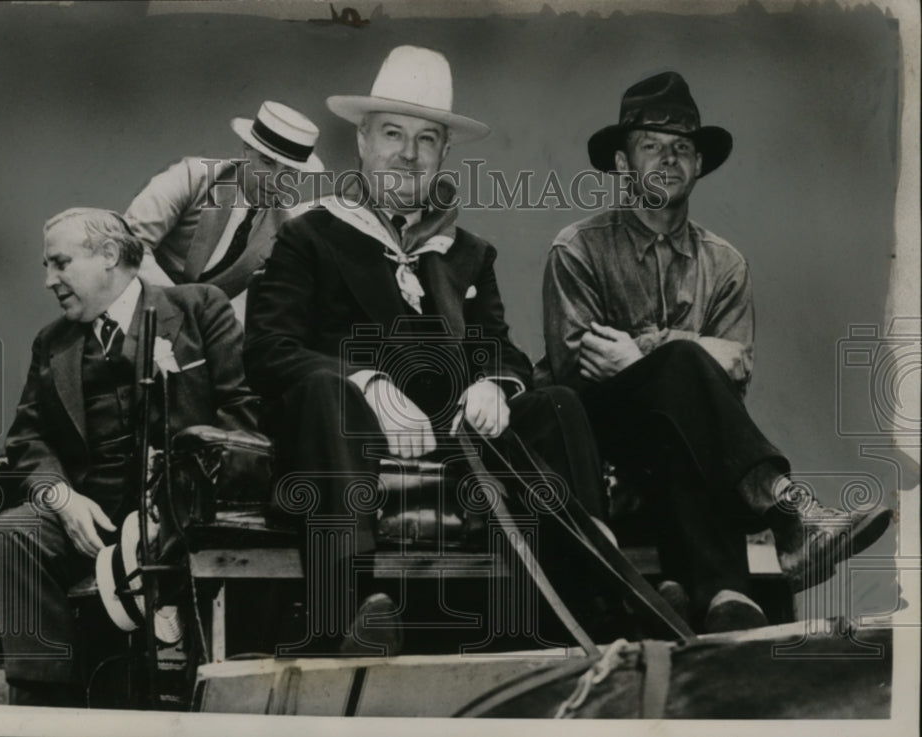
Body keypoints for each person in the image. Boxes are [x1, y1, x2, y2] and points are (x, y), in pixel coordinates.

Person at [244, 46, 610, 654]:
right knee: (325, 391)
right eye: (392, 133)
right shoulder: (309, 235)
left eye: (426, 140)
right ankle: (351, 614)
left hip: (450, 434)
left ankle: (598, 594)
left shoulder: (467, 252)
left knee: (560, 404)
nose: (407, 153)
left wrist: (494, 383)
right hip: (341, 432)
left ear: (444, 154)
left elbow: (503, 351)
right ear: (362, 140)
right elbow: (268, 350)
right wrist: (364, 384)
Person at [539, 71, 893, 632]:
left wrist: (642, 352)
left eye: (682, 149)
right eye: (650, 146)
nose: (668, 160)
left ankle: (727, 601)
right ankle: (788, 509)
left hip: (683, 443)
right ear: (623, 163)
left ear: (699, 165)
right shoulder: (578, 248)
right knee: (684, 368)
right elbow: (574, 370)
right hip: (596, 438)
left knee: (685, 413)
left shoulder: (725, 264)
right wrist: (676, 354)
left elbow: (732, 379)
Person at [0, 208, 261, 705]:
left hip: (180, 508)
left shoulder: (200, 308)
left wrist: (176, 508)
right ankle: (42, 702)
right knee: (15, 532)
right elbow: (28, 438)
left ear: (109, 255)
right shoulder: (52, 343)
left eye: (60, 263)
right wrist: (62, 498)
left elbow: (239, 419)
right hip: (88, 513)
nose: (49, 280)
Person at [123, 101, 324, 324]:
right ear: (246, 150)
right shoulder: (191, 177)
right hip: (135, 306)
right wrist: (183, 307)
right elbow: (130, 244)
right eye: (267, 163)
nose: (276, 182)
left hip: (198, 333)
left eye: (290, 173)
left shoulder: (285, 225)